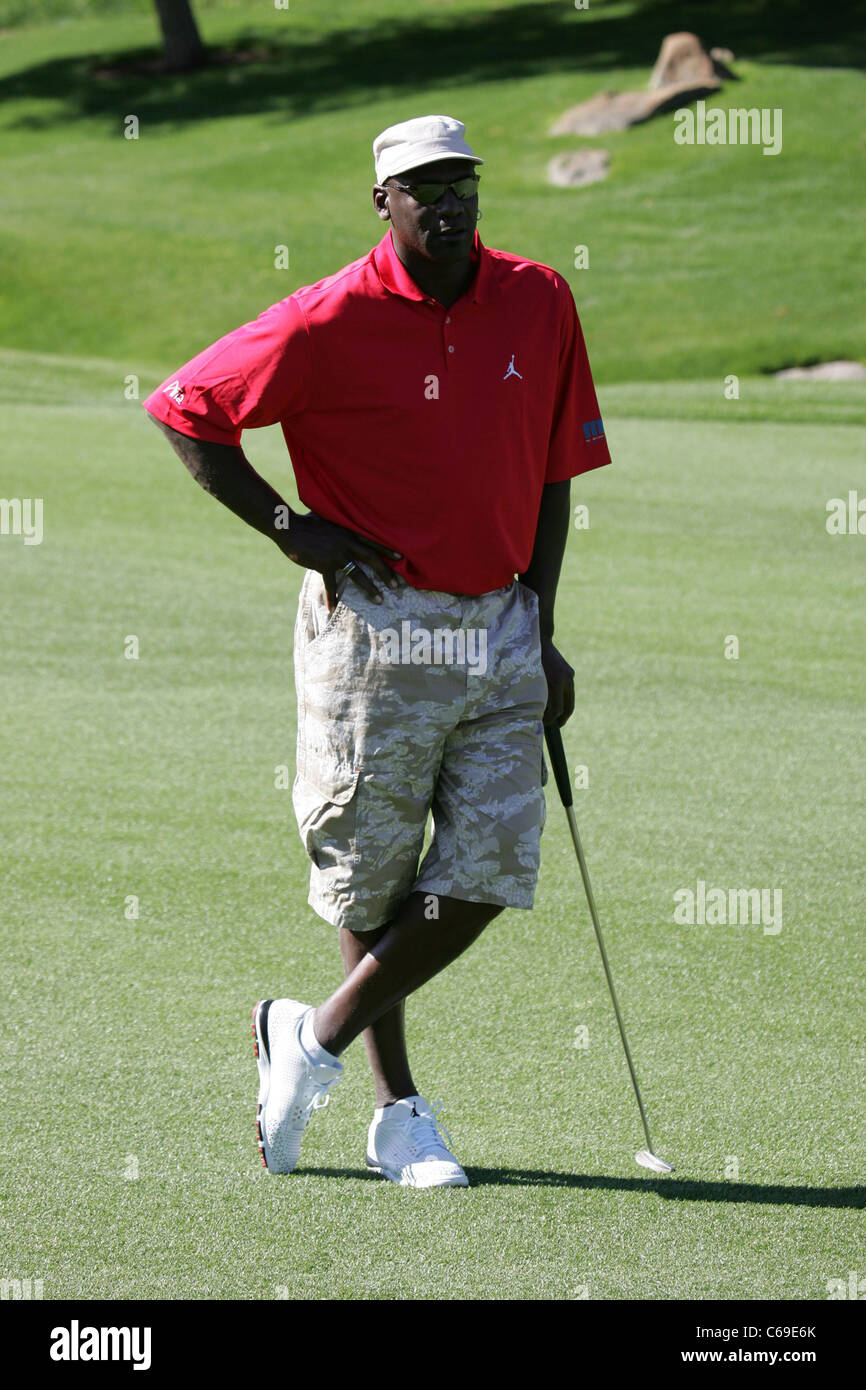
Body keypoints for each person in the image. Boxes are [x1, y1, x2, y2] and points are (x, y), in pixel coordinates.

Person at [143, 114, 611, 1189]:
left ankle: (306, 1040)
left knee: (488, 869)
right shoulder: (324, 318)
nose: (448, 205)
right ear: (382, 202)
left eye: (462, 185)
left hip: (497, 619)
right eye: (423, 188)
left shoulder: (536, 298)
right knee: (372, 879)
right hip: (374, 628)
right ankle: (399, 1114)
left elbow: (553, 469)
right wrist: (284, 525)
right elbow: (185, 406)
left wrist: (539, 624)